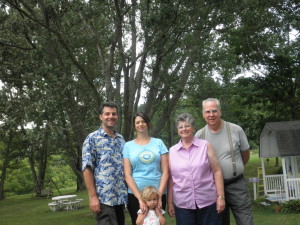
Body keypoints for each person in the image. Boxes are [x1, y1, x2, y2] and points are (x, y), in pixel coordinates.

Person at [195, 98, 253, 225]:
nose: (211, 115)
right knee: (219, 222)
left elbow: (245, 155)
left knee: (245, 221)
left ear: (220, 112)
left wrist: (234, 169)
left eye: (214, 111)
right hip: (213, 188)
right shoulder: (199, 136)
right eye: (208, 112)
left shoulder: (236, 130)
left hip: (236, 184)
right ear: (203, 114)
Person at [168, 113, 225, 225]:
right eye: (180, 127)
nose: (184, 129)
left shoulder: (205, 145)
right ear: (177, 130)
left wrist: (221, 197)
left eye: (187, 126)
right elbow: (171, 178)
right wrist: (170, 202)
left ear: (193, 128)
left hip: (207, 202)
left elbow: (217, 171)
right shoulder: (172, 151)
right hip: (183, 204)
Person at [82, 102, 127, 225]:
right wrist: (92, 197)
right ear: (101, 116)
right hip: (104, 199)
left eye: (114, 114)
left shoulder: (121, 139)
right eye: (107, 114)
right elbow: (87, 168)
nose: (110, 116)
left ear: (117, 116)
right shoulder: (92, 139)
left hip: (120, 197)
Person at [123, 112, 169, 225]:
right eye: (137, 122)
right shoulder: (128, 146)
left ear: (148, 124)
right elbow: (127, 175)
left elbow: (166, 171)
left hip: (157, 193)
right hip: (136, 193)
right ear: (134, 126)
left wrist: (159, 194)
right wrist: (139, 198)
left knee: (158, 222)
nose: (140, 124)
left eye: (143, 121)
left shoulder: (159, 143)